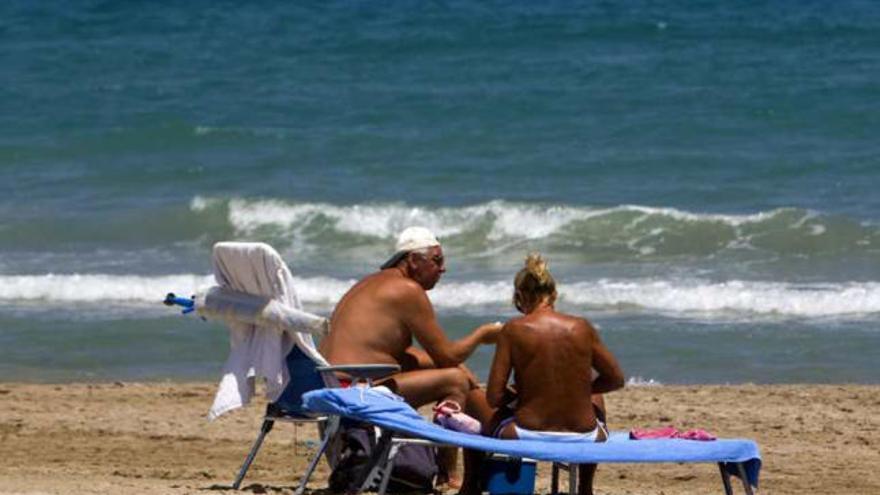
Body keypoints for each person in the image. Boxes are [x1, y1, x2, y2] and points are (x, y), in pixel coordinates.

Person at [319, 226, 502, 487]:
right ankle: (449, 470)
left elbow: (398, 354)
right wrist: (483, 335)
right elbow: (446, 357)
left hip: (333, 385)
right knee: (454, 381)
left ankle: (490, 439)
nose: (443, 269)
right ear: (413, 260)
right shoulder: (407, 290)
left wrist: (460, 366)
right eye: (437, 260)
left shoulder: (372, 283)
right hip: (357, 392)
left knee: (457, 374)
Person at [482, 252, 625, 495]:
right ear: (554, 295)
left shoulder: (513, 329)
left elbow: (493, 397)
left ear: (520, 297)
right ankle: (585, 487)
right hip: (586, 437)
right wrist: (576, 392)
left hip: (525, 434)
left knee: (479, 405)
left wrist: (521, 394)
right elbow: (615, 379)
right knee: (596, 398)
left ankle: (474, 483)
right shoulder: (581, 327)